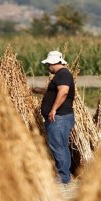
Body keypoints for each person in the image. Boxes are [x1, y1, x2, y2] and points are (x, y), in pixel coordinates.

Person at [31, 50, 76, 184]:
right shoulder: (61, 76)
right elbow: (56, 91)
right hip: (60, 118)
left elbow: (63, 92)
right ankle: (64, 176)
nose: (47, 68)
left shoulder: (63, 74)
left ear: (53, 63)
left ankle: (63, 178)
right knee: (60, 145)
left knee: (58, 146)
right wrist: (40, 90)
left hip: (59, 118)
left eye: (48, 65)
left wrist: (53, 110)